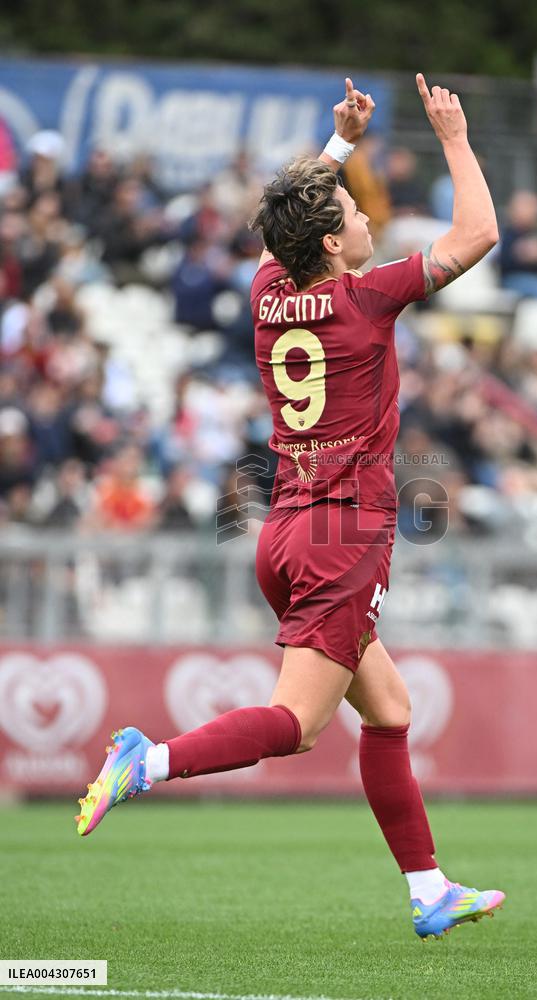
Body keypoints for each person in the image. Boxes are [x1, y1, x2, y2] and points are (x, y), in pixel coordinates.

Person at [75, 74, 505, 941]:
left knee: (389, 713)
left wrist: (341, 143)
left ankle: (428, 890)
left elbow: (285, 221)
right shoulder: (366, 296)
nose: (365, 217)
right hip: (341, 535)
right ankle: (144, 760)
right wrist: (453, 136)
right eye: (351, 211)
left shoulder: (270, 292)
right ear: (336, 245)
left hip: (283, 533)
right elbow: (481, 233)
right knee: (296, 727)